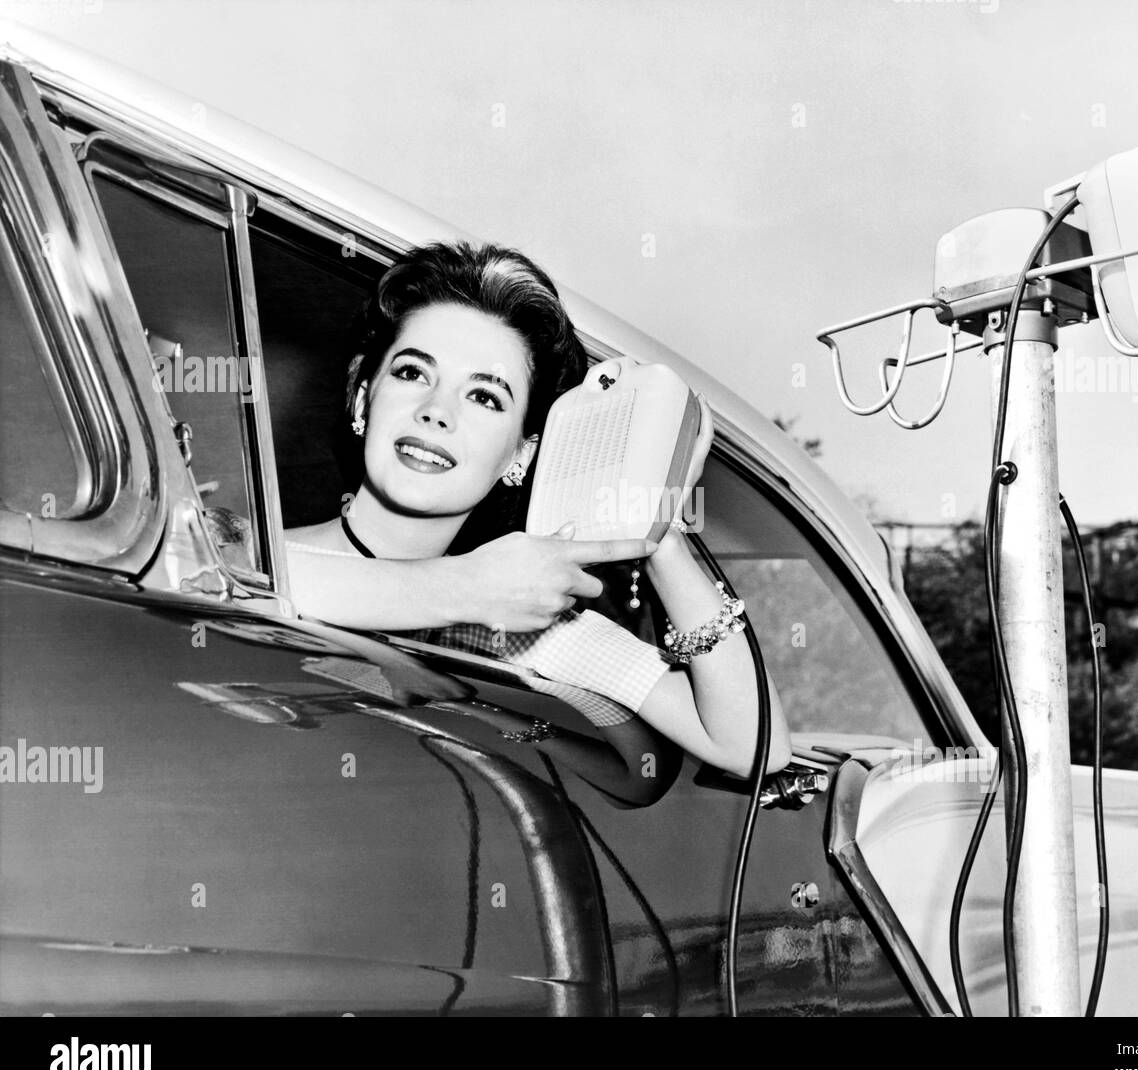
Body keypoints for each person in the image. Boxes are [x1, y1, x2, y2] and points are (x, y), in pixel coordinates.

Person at [285, 241, 789, 777]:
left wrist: (658, 525)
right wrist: (468, 588)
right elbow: (227, 582)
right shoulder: (228, 548)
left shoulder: (526, 623)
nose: (436, 411)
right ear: (363, 398)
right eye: (413, 373)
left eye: (484, 397)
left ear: (521, 456)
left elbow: (751, 747)